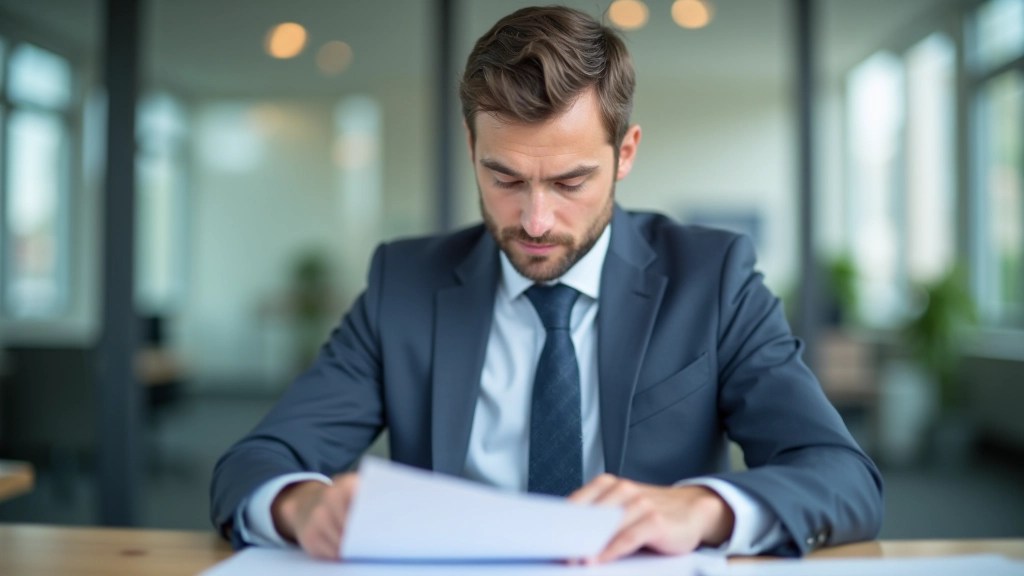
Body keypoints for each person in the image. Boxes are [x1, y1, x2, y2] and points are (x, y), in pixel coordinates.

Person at [210, 5, 883, 564]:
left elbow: (843, 477)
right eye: (505, 179)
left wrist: (703, 507)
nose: (535, 220)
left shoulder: (713, 279)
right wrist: (299, 505)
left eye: (569, 183)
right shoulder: (404, 284)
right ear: (471, 149)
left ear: (625, 154)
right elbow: (259, 460)